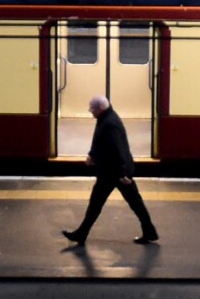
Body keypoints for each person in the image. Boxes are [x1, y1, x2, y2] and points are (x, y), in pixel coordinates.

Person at [64, 93, 159, 246]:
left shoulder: (110, 124)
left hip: (114, 173)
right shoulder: (104, 118)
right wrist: (92, 154)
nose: (90, 111)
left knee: (102, 204)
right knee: (132, 203)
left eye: (92, 108)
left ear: (101, 108)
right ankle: (150, 232)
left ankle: (81, 234)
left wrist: (122, 174)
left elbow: (118, 150)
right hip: (112, 171)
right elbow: (98, 140)